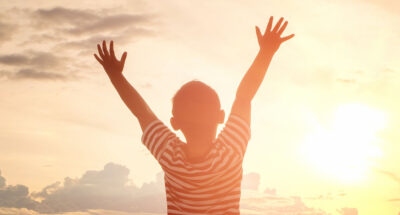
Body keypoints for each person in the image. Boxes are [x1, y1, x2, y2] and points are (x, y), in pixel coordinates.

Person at [94, 16, 294, 215]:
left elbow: (141, 112)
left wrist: (116, 75)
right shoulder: (230, 150)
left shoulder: (169, 155)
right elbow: (244, 98)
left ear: (175, 123)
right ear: (220, 116)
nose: (197, 109)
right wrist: (266, 53)